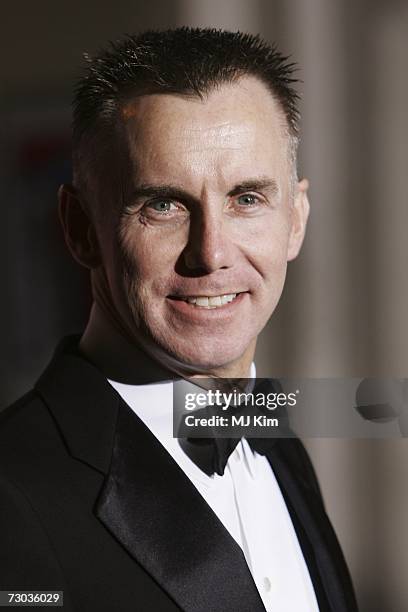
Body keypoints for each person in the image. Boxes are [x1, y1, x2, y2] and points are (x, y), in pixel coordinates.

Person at [0, 28, 357, 611]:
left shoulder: (278, 438)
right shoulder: (12, 496)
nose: (211, 253)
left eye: (247, 198)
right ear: (81, 228)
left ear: (296, 219)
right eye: (163, 205)